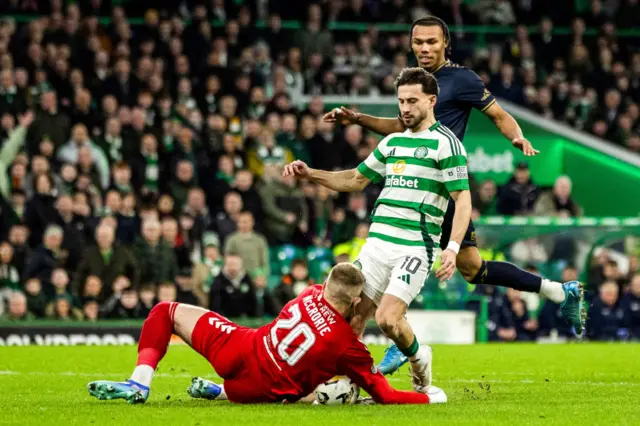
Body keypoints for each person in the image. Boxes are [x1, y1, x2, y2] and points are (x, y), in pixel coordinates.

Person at [322, 16, 585, 373]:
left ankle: (400, 339)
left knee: (411, 249)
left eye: (431, 42)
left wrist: (517, 136)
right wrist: (357, 118)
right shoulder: (414, 84)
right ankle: (558, 291)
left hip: (438, 185)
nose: (425, 49)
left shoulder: (462, 79)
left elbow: (498, 114)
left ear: (446, 41)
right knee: (473, 268)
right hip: (420, 180)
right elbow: (399, 127)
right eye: (418, 42)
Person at [284, 67, 472, 391]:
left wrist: (452, 248)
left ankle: (418, 359)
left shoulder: (446, 145)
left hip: (415, 246)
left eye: (412, 101)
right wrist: (310, 173)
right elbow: (355, 179)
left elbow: (463, 201)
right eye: (401, 101)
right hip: (376, 244)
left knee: (387, 319)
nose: (405, 108)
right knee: (351, 316)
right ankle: (347, 383)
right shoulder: (393, 141)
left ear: (431, 100)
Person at [87, 263, 446, 405]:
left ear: (322, 285)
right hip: (256, 391)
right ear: (354, 302)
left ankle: (140, 381)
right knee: (344, 388)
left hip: (238, 347)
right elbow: (385, 397)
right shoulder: (346, 345)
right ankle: (386, 365)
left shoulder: (306, 294)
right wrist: (431, 399)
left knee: (165, 312)